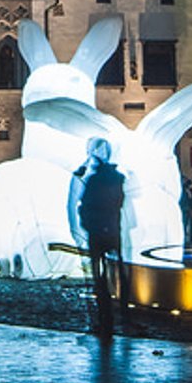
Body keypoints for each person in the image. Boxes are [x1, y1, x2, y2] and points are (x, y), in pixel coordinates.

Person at [72, 138, 126, 333]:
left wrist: (87, 224)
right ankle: (122, 314)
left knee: (99, 276)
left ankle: (105, 318)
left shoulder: (93, 180)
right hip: (113, 231)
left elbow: (85, 206)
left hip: (97, 233)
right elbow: (119, 203)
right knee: (118, 272)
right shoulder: (118, 179)